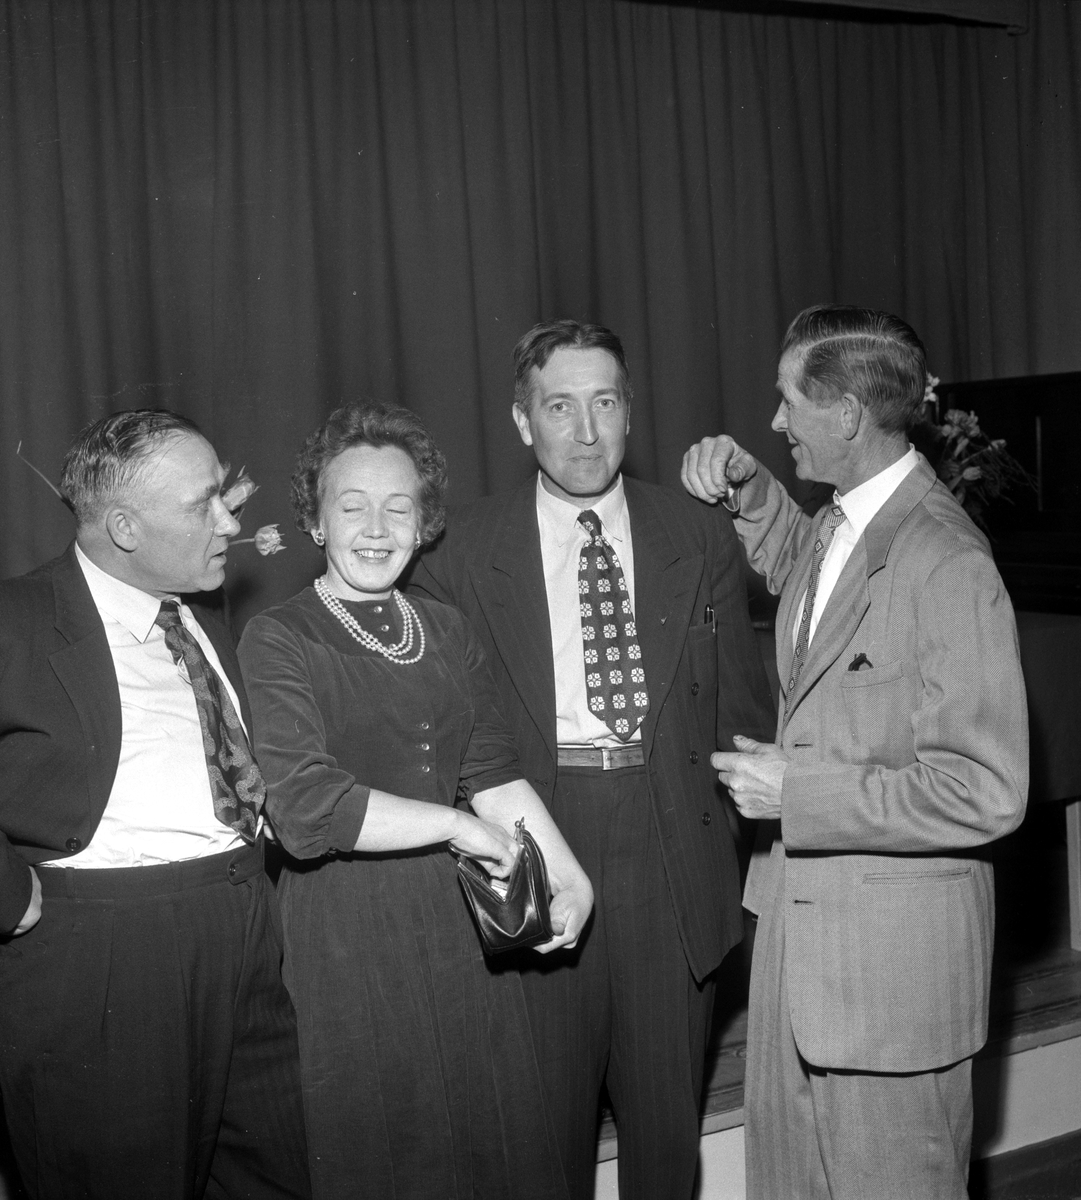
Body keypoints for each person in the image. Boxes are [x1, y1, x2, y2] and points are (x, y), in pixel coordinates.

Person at [0, 409, 311, 1200]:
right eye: (204, 504)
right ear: (124, 527)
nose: (231, 521)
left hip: (244, 936)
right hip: (101, 965)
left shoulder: (201, 612)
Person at [410, 320, 776, 1199]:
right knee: (540, 1147)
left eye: (604, 403)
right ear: (520, 420)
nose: (585, 432)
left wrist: (722, 854)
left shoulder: (696, 532)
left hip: (668, 848)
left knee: (663, 1145)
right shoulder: (457, 553)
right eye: (559, 407)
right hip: (533, 838)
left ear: (628, 411)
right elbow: (441, 740)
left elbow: (740, 713)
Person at [681, 305, 1029, 1199]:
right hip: (800, 950)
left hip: (891, 983)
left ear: (844, 415)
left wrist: (796, 793)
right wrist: (751, 491)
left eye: (786, 401)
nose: (773, 420)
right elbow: (814, 579)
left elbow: (985, 789)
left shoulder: (947, 561)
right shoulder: (846, 522)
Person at [238, 402, 592, 1200]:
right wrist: (459, 827)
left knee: (489, 1150)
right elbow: (307, 808)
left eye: (398, 508)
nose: (376, 528)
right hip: (342, 937)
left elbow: (492, 771)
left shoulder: (446, 627)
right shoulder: (280, 635)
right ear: (314, 521)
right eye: (351, 506)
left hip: (458, 931)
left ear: (425, 523)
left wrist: (569, 875)